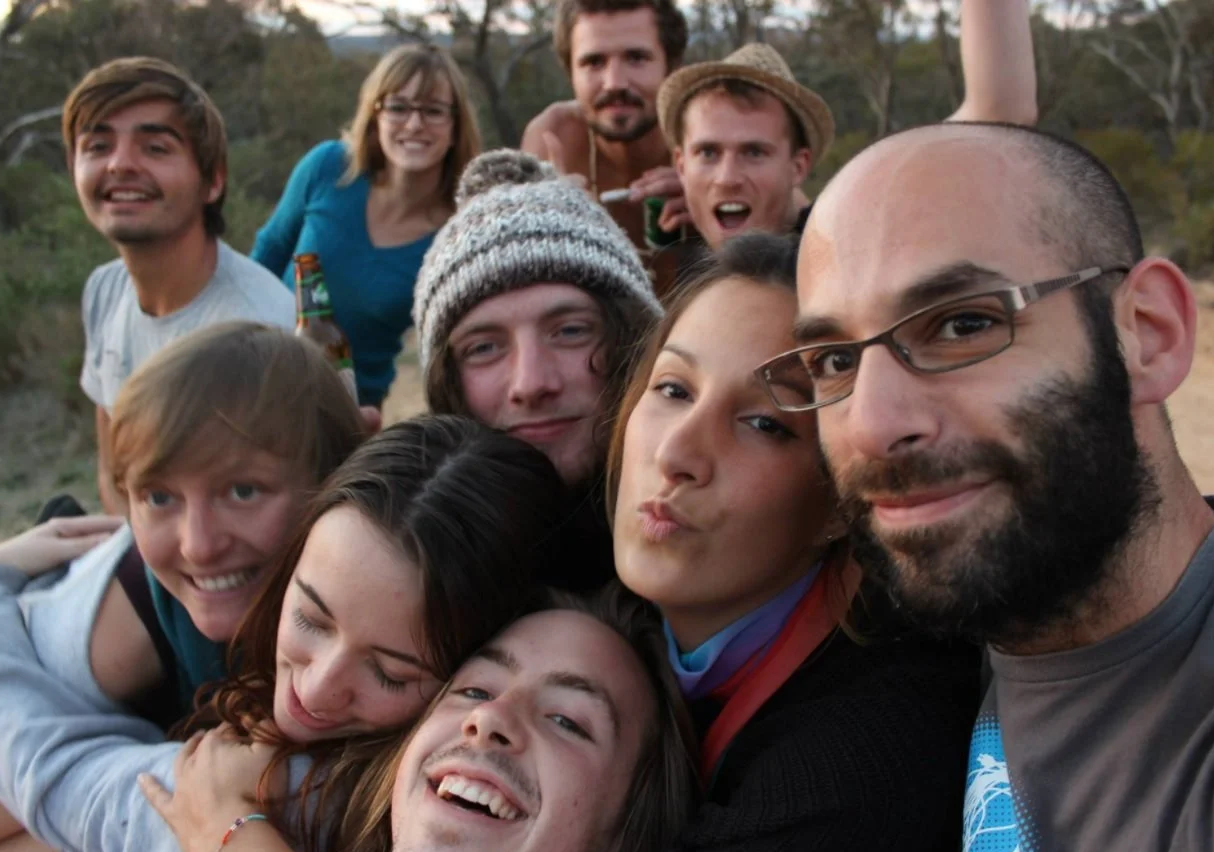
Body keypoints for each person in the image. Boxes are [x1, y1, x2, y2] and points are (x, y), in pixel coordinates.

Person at [779, 121, 1214, 852]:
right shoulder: (896, 670)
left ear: (1147, 334)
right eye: (832, 360)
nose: (874, 425)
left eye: (962, 323)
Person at [0, 413, 573, 852]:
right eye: (309, 616)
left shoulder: (277, 789)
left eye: (390, 673)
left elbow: (54, 770)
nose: (316, 688)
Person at [607, 233, 982, 852]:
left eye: (764, 424)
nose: (676, 455)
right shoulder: (591, 614)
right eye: (673, 389)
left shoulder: (866, 753)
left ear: (842, 499)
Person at [0, 322, 363, 852]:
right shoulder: (113, 635)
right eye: (158, 497)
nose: (198, 544)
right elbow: (21, 745)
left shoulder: (374, 601)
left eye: (242, 491)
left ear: (335, 480)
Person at [139, 588, 698, 852]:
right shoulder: (230, 797)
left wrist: (234, 846)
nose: (491, 718)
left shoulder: (230, 832)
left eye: (567, 721)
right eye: (474, 690)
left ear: (622, 845)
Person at [413, 149, 662, 588]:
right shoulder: (419, 566)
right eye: (484, 347)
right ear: (445, 379)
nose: (531, 384)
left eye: (569, 331)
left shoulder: (725, 543)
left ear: (633, 339)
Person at [65, 58, 295, 514]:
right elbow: (116, 469)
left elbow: (267, 518)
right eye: (97, 146)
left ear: (213, 180)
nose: (120, 164)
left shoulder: (259, 332)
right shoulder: (104, 290)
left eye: (155, 148)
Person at [655, 0, 1038, 253]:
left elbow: (999, 109)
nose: (727, 177)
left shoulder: (843, 246)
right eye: (707, 152)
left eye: (755, 152)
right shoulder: (684, 272)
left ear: (798, 166)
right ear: (681, 165)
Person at [252, 43, 481, 408]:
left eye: (433, 110)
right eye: (398, 107)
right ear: (375, 116)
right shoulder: (327, 168)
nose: (414, 123)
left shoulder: (459, 234)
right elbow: (263, 261)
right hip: (261, 380)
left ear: (455, 127)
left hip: (351, 411)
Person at [522, 0, 690, 272]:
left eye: (636, 58)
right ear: (571, 73)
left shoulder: (710, 141)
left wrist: (711, 207)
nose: (615, 83)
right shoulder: (553, 138)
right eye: (594, 62)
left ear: (671, 66)